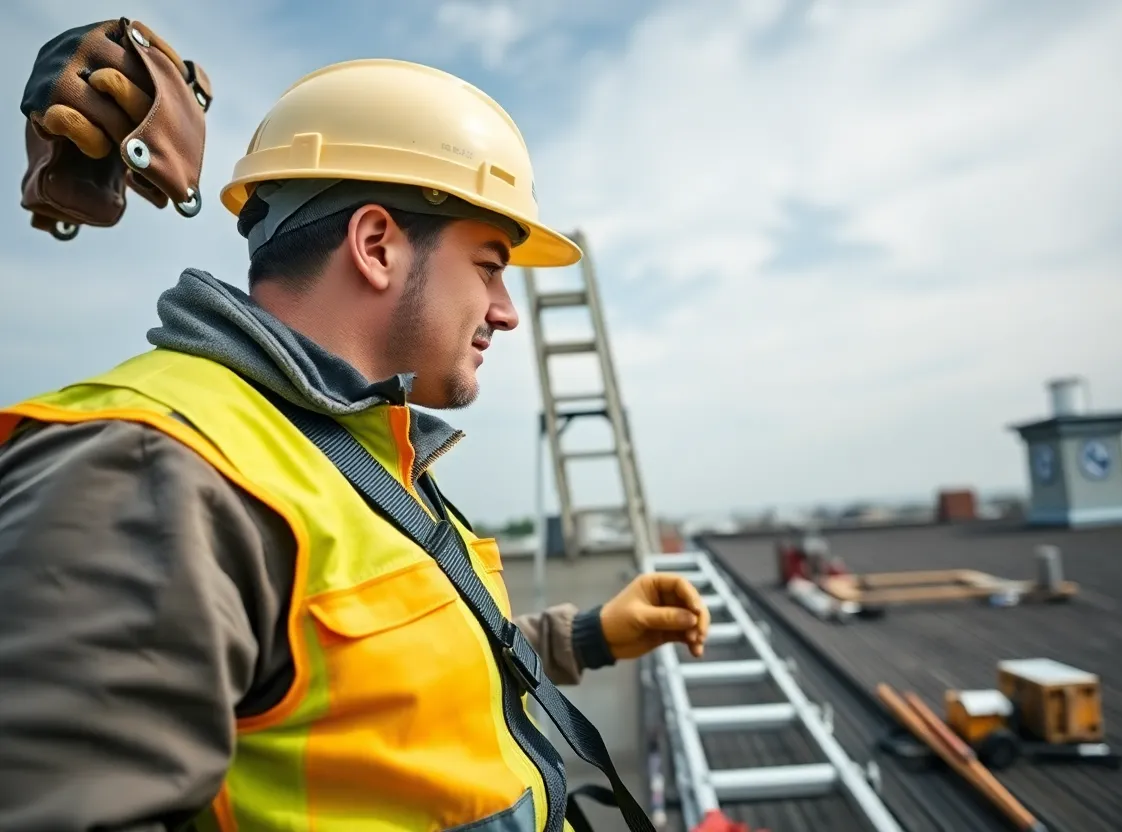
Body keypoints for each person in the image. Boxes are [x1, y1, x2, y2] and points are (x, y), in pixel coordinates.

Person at [0, 36, 710, 832]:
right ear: (376, 246)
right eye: (488, 264)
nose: (507, 310)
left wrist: (590, 636)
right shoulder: (149, 469)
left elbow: (399, 671)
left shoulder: (356, 444)